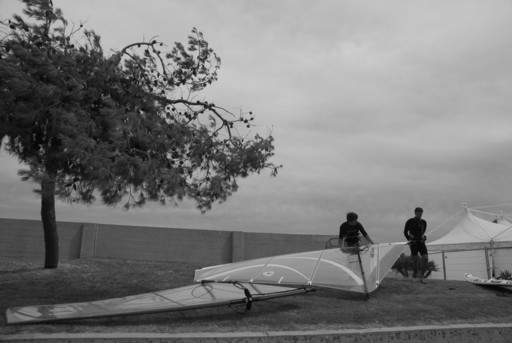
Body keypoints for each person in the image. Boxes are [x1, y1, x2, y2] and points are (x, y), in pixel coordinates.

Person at [404, 207, 428, 283]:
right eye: (418, 214)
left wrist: (424, 237)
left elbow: (422, 233)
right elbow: (405, 232)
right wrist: (409, 239)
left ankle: (421, 277)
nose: (420, 215)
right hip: (413, 243)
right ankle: (414, 276)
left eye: (421, 214)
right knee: (414, 260)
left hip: (421, 242)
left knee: (425, 258)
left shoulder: (424, 222)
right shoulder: (410, 221)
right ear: (415, 213)